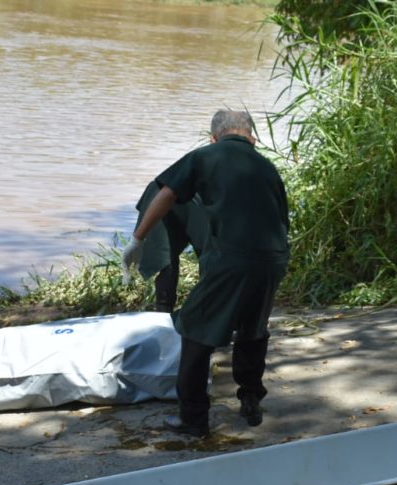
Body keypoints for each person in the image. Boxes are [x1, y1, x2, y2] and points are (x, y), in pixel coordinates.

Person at [122, 109, 290, 437]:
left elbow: (166, 193)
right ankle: (251, 398)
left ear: (215, 137)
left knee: (195, 328)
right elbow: (281, 219)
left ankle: (193, 418)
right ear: (251, 137)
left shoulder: (206, 156)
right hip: (274, 258)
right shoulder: (267, 167)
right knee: (253, 327)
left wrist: (137, 240)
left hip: (233, 260)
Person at [131, 180, 208, 313]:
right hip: (163, 195)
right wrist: (136, 240)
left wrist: (136, 241)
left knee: (168, 257)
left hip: (164, 193)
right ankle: (164, 314)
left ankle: (167, 312)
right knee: (167, 256)